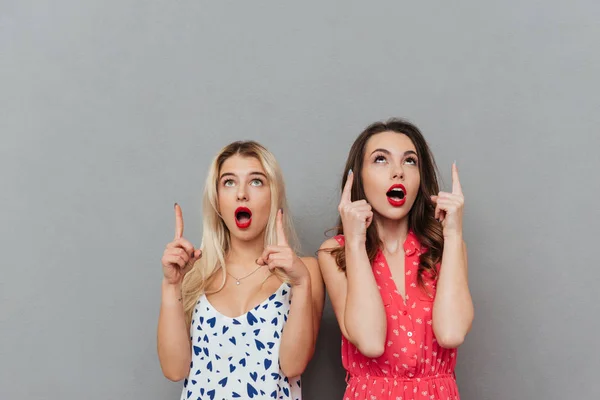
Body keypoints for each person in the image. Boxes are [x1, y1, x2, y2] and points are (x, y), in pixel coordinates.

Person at [318, 118, 474, 400]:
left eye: (410, 162)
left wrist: (452, 235)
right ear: (359, 178)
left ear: (420, 179)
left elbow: (451, 334)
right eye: (380, 160)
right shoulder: (336, 252)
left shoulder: (448, 248)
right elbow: (370, 342)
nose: (398, 172)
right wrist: (355, 243)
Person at [158, 140, 325, 400]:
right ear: (217, 200)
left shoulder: (304, 272)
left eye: (256, 181)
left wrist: (302, 285)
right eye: (229, 182)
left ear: (274, 196)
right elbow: (174, 370)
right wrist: (171, 286)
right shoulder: (194, 273)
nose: (241, 194)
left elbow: (293, 365)